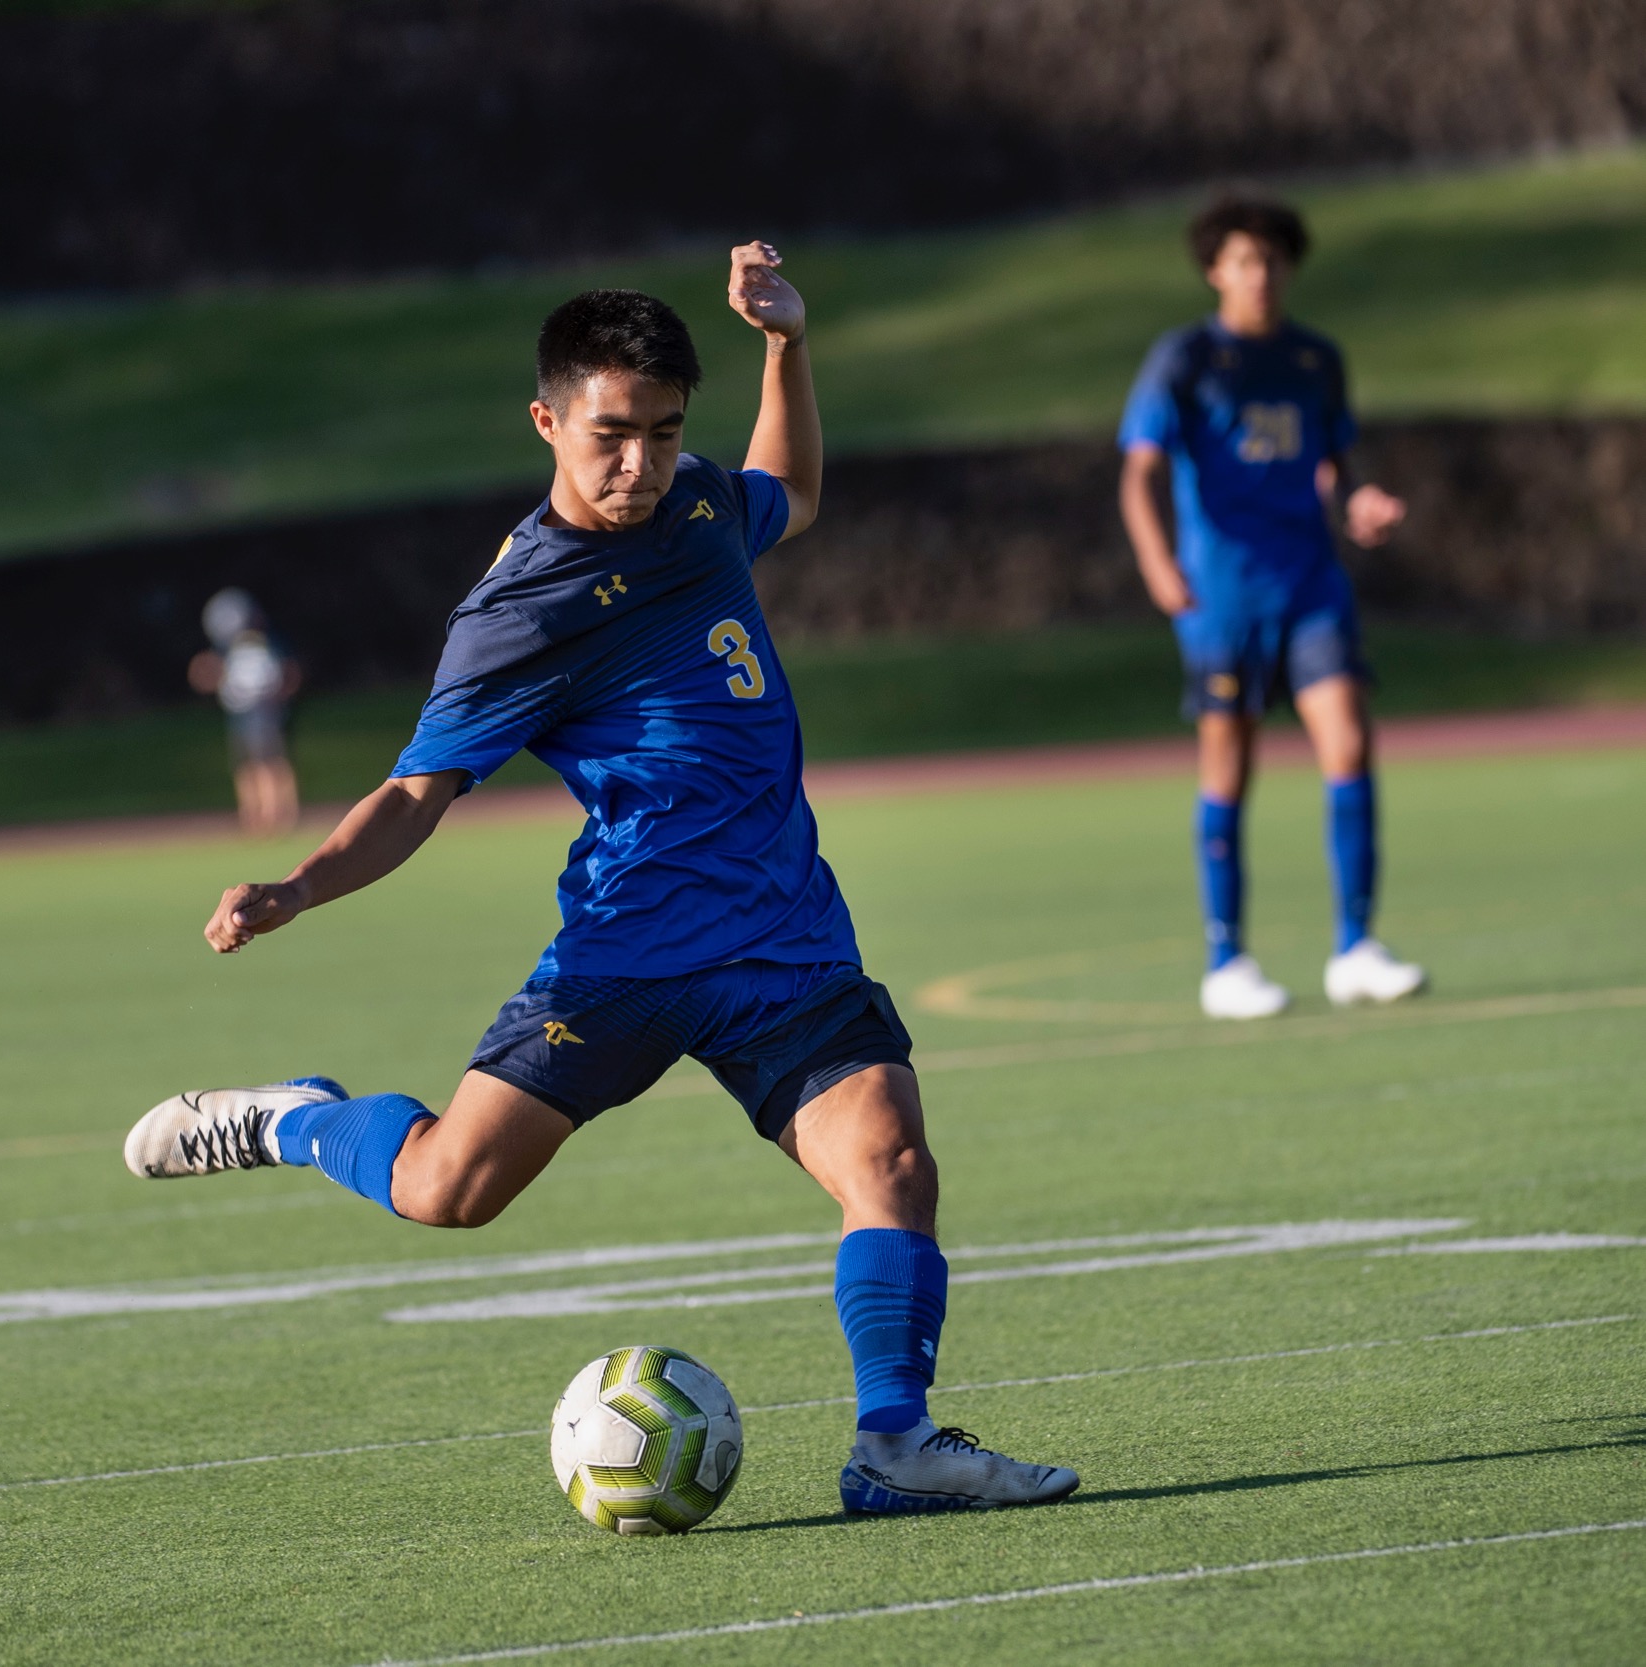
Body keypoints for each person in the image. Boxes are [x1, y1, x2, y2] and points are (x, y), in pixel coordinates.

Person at [123, 248, 1080, 1515]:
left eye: (664, 430)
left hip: (782, 937)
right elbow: (416, 793)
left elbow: (785, 489)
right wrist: (296, 885)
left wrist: (787, 347)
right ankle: (301, 1116)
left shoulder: (692, 503)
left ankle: (892, 1444)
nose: (640, 462)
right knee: (445, 1191)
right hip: (624, 952)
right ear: (547, 421)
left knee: (891, 1163)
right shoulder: (515, 613)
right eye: (611, 435)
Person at [1118, 194, 1426, 1020]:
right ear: (1217, 270)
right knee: (1231, 766)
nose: (1261, 275)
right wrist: (1156, 561)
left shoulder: (1316, 360)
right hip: (1222, 595)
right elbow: (1140, 469)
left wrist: (1359, 500)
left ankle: (1355, 947)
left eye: (1274, 260)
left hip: (1312, 585)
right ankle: (1227, 960)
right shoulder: (1184, 359)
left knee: (1351, 744)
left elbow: (1337, 464)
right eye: (1245, 260)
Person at [188, 588, 303, 836]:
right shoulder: (226, 650)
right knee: (247, 765)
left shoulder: (269, 642)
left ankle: (282, 813)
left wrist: (282, 696)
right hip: (241, 713)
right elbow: (206, 674)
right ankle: (253, 814)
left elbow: (289, 671)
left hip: (268, 711)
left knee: (273, 762)